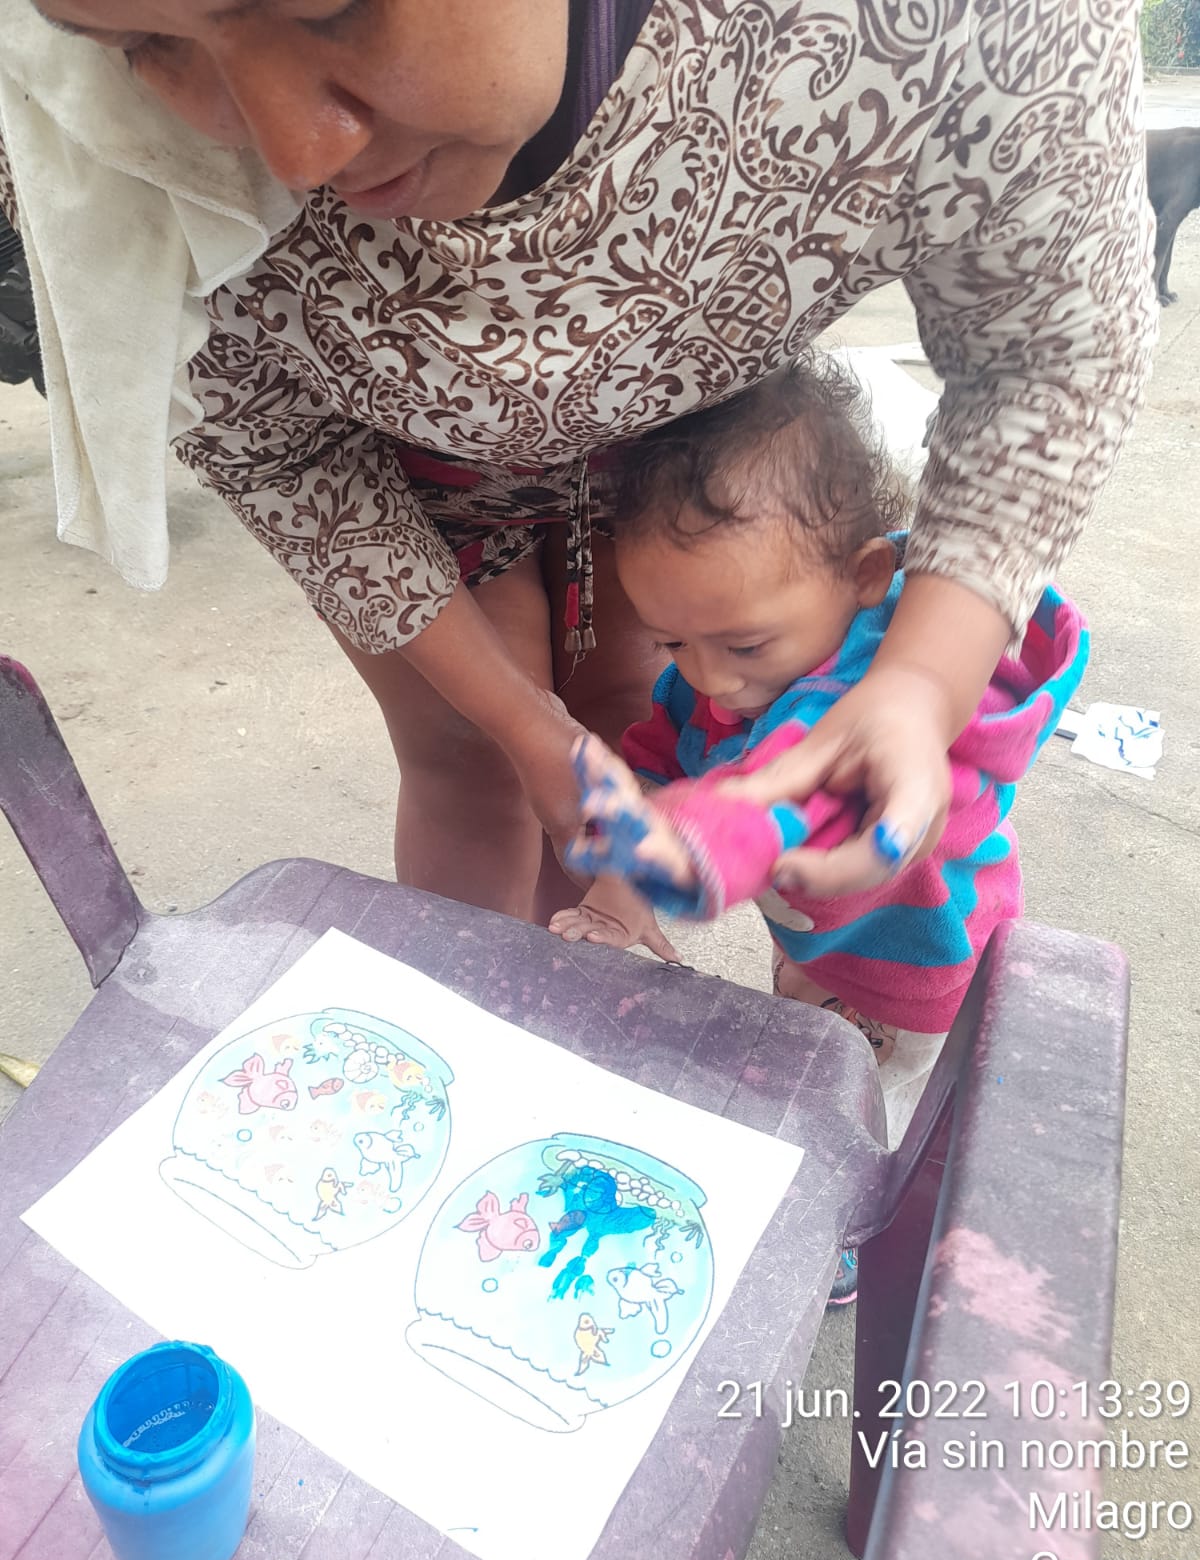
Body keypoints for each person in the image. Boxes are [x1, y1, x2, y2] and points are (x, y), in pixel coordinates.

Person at [0, 2, 1155, 932]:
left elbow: (1049, 348)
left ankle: (574, 1002)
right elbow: (278, 448)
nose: (292, 155)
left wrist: (920, 681)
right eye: (143, 43)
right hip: (404, 474)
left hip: (684, 463)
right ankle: (468, 1026)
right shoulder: (99, 142)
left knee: (629, 721)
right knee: (471, 758)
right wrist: (517, 720)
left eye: (329, 8)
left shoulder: (948, 27)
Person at [550, 356, 1086, 1075]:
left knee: (882, 1115)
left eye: (745, 644)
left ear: (864, 575)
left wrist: (689, 845)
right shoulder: (710, 682)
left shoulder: (873, 688)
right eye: (672, 642)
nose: (708, 677)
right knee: (808, 1070)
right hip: (813, 948)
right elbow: (662, 763)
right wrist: (622, 875)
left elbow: (800, 798)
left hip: (922, 978)